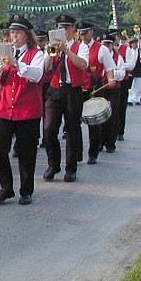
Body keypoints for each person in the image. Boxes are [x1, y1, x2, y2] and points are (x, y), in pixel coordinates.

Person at [0, 15, 44, 205]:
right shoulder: (4, 53)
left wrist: (15, 63)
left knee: (27, 152)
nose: (14, 36)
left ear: (27, 36)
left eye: (18, 32)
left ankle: (26, 190)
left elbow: (36, 75)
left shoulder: (37, 54)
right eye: (12, 32)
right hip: (4, 108)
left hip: (27, 110)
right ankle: (6, 188)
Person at [43, 14, 88, 182]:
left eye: (67, 28)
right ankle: (53, 164)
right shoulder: (51, 46)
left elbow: (82, 64)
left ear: (73, 29)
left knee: (72, 130)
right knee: (48, 129)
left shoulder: (80, 46)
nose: (64, 31)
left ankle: (71, 168)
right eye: (60, 28)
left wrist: (66, 51)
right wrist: (51, 51)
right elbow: (46, 68)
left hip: (73, 90)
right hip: (55, 90)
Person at [75, 22, 116, 164]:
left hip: (94, 89)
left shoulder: (101, 49)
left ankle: (93, 153)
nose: (83, 36)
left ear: (91, 32)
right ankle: (77, 153)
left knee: (94, 122)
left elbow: (109, 67)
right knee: (74, 123)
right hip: (77, 89)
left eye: (85, 33)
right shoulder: (75, 48)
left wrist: (110, 79)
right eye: (80, 33)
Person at [112, 30, 136, 141]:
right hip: (110, 80)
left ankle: (120, 131)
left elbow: (131, 65)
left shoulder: (126, 49)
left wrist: (119, 65)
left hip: (123, 80)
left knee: (121, 106)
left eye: (114, 37)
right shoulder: (106, 49)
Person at [34, 30, 53, 148]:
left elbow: (49, 66)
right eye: (38, 40)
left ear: (46, 40)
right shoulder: (33, 50)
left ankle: (46, 139)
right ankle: (34, 137)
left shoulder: (50, 50)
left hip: (48, 83)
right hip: (36, 84)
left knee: (47, 113)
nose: (40, 43)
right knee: (35, 111)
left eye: (42, 40)